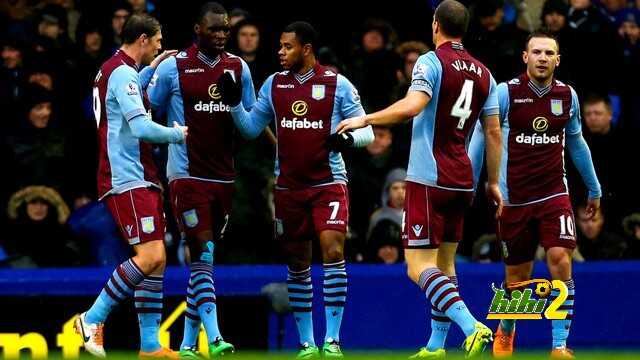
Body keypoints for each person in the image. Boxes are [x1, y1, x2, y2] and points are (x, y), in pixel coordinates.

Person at [337, 1, 503, 358]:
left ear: (436, 25)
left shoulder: (431, 61)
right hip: (463, 180)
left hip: (429, 177)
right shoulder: (485, 73)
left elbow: (412, 106)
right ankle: (435, 345)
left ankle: (472, 327)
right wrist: (492, 182)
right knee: (444, 266)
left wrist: (364, 119)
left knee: (417, 267)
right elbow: (493, 133)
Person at [217, 21, 374, 359]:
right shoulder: (274, 85)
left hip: (328, 184)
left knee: (332, 251)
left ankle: (332, 340)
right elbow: (249, 128)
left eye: (287, 47)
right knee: (297, 262)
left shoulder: (337, 85)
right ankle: (307, 343)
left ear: (306, 49)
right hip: (289, 187)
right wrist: (233, 104)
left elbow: (368, 133)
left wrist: (345, 138)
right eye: (279, 46)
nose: (280, 52)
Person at [468, 30, 601, 359]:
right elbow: (482, 136)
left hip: (555, 194)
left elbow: (576, 141)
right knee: (517, 278)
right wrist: (470, 184)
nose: (542, 58)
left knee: (560, 260)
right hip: (514, 200)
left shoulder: (567, 95)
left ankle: (559, 345)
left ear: (558, 59)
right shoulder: (506, 93)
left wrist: (594, 186)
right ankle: (507, 328)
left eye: (549, 53)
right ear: (525, 57)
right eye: (536, 52)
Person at [73, 14, 187, 359]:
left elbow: (128, 95)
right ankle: (91, 319)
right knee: (149, 256)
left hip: (140, 175)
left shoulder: (115, 69)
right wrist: (176, 135)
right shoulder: (121, 72)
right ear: (142, 39)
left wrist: (153, 69)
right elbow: (139, 127)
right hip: (127, 177)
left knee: (158, 260)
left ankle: (150, 345)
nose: (159, 45)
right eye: (157, 40)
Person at [147, 2, 255, 357]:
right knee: (202, 253)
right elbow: (152, 107)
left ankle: (188, 344)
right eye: (214, 29)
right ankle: (216, 335)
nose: (222, 35)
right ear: (197, 29)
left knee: (202, 261)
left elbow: (249, 127)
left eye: (225, 29)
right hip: (186, 175)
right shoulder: (175, 67)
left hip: (223, 177)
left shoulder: (239, 68)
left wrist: (235, 103)